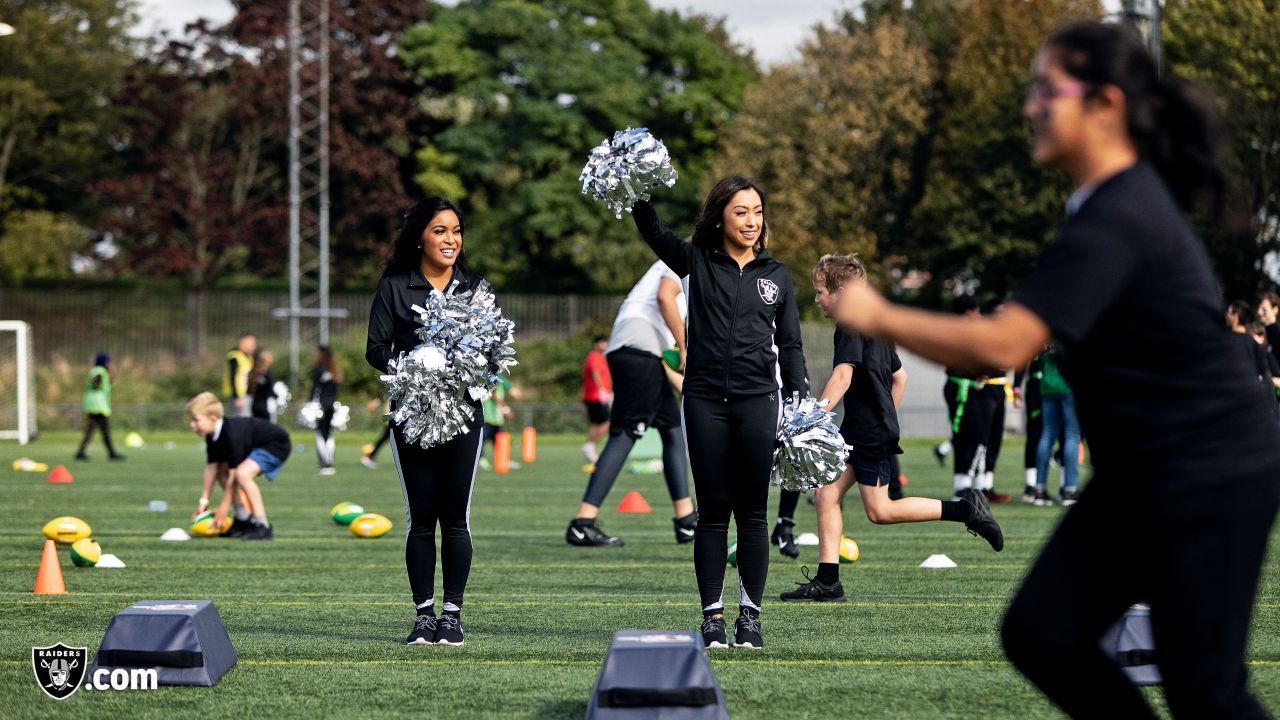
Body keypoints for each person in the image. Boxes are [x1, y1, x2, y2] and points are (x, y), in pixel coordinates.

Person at [834, 22, 1280, 717]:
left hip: (1210, 467)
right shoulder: (1098, 211)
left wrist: (877, 313)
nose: (1030, 106)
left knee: (1207, 691)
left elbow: (1001, 346)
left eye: (1048, 89)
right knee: (1044, 633)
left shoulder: (1121, 215)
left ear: (1104, 106)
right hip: (1148, 473)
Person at [629, 175, 808, 650]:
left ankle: (750, 618)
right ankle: (712, 619)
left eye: (757, 212)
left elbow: (790, 346)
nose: (751, 221)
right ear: (720, 218)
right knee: (712, 514)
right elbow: (654, 232)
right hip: (705, 399)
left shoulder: (778, 276)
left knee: (752, 514)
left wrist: (800, 402)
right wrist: (635, 191)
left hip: (758, 402)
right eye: (740, 212)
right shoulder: (696, 262)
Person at [780, 255, 1003, 603]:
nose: (818, 298)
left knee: (880, 511)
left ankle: (966, 510)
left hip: (867, 432)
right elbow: (900, 377)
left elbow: (843, 375)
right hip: (862, 429)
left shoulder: (850, 324)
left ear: (840, 292)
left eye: (820, 291)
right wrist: (885, 416)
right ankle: (827, 582)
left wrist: (815, 417)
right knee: (826, 495)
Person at [367, 196, 490, 647]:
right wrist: (421, 362)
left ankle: (452, 615)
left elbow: (492, 350)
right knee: (421, 518)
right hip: (414, 416)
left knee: (456, 519)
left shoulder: (475, 288)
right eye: (440, 231)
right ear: (420, 235)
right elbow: (375, 349)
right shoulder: (396, 287)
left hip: (463, 417)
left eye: (456, 231)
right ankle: (423, 615)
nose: (451, 239)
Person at [566, 260, 697, 547]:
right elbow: (665, 296)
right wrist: (684, 347)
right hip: (637, 351)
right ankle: (583, 523)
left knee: (672, 431)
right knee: (625, 433)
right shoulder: (687, 256)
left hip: (645, 352)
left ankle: (686, 520)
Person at [186, 391, 289, 541]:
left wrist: (224, 508)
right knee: (222, 471)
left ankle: (263, 526)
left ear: (213, 418)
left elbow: (234, 477)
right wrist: (204, 501)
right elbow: (211, 468)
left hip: (276, 444)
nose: (192, 425)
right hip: (257, 445)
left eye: (196, 420)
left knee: (242, 474)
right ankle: (243, 520)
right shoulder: (212, 437)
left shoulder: (232, 435)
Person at [1033, 345, 1081, 506]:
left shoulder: (1045, 330)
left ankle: (1039, 490)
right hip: (1068, 386)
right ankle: (1070, 489)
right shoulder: (1068, 328)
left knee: (1047, 435)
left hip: (1048, 386)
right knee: (1072, 436)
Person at [75, 352, 124, 461]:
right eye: (108, 362)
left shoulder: (103, 372)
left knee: (92, 430)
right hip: (97, 406)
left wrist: (112, 373)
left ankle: (81, 452)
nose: (110, 363)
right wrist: (97, 380)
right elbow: (97, 378)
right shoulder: (99, 370)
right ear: (103, 362)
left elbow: (108, 382)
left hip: (95, 405)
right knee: (103, 430)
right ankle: (111, 453)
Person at [309, 344, 341, 475]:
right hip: (332, 405)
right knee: (329, 433)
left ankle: (325, 464)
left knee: (320, 434)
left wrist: (311, 404)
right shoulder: (334, 371)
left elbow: (315, 389)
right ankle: (329, 462)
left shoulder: (318, 370)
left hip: (321, 405)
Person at [581, 335, 612, 465]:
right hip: (595, 395)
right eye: (603, 342)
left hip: (595, 395)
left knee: (595, 423)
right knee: (608, 421)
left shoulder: (601, 357)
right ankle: (590, 444)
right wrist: (602, 390)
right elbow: (595, 372)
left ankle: (590, 449)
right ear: (597, 344)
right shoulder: (594, 356)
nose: (605, 345)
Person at [223, 332, 256, 418]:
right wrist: (236, 397)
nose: (253, 346)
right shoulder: (234, 356)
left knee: (247, 419)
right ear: (242, 342)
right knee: (240, 420)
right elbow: (232, 377)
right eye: (251, 344)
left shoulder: (248, 357)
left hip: (246, 393)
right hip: (239, 395)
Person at [249, 349, 279, 424]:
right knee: (267, 428)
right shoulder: (268, 373)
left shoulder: (253, 372)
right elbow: (270, 391)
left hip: (254, 404)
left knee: (257, 427)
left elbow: (249, 390)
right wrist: (278, 397)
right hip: (266, 405)